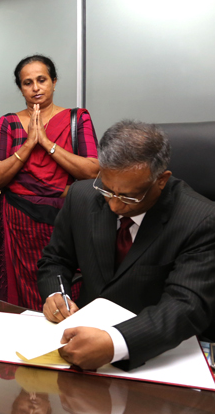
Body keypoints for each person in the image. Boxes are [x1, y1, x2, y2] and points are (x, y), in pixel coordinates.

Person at [38, 120, 215, 371]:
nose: (114, 205)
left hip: (157, 356)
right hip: (83, 342)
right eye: (108, 190)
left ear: (161, 180)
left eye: (130, 196)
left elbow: (185, 305)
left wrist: (116, 343)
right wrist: (56, 293)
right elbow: (55, 259)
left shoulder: (201, 220)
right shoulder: (81, 196)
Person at [0, 54, 99, 310]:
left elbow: (92, 170)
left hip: (65, 221)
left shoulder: (77, 118)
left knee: (67, 290)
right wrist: (28, 144)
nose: (35, 88)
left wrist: (47, 143)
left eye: (41, 80)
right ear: (20, 87)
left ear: (54, 82)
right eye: (27, 83)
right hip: (17, 223)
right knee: (18, 296)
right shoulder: (8, 123)